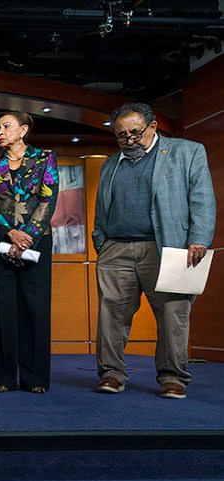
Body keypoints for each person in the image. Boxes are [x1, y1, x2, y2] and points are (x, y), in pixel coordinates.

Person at [92, 102, 216, 399]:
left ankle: (173, 378)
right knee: (111, 315)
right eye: (122, 136)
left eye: (135, 133)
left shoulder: (187, 152)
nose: (130, 140)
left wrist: (198, 237)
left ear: (153, 126)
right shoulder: (111, 163)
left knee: (173, 314)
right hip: (116, 250)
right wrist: (102, 242)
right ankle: (111, 373)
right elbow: (102, 208)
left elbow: (202, 197)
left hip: (169, 250)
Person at [0, 111, 59, 394]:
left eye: (7, 126)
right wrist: (8, 233)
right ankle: (2, 377)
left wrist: (28, 237)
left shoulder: (44, 159)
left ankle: (34, 379)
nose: (0, 131)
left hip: (35, 242)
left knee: (34, 309)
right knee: (2, 309)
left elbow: (48, 198)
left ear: (23, 130)